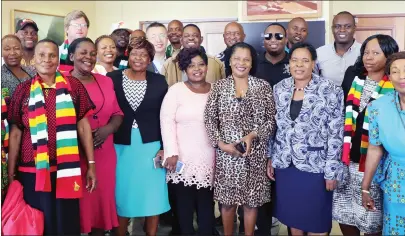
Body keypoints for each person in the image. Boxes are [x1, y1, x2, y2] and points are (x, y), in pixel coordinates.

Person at [7, 39, 96, 235]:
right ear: (33, 60)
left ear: (58, 59)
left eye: (52, 55)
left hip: (67, 168)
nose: (47, 60)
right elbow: (15, 133)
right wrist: (11, 171)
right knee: (38, 222)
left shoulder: (74, 86)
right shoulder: (23, 90)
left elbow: (83, 127)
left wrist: (91, 164)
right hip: (32, 169)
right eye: (41, 55)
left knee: (66, 222)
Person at [270, 42, 345, 235]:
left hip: (316, 167)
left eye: (305, 60)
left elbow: (336, 133)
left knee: (316, 221)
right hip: (286, 165)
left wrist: (331, 171)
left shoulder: (330, 90)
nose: (299, 65)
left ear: (314, 63)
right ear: (289, 63)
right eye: (294, 60)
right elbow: (274, 128)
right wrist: (271, 157)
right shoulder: (280, 88)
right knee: (293, 217)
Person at [204, 42, 276, 236]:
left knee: (251, 204)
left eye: (246, 59)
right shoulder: (219, 87)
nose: (241, 63)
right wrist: (221, 145)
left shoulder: (263, 87)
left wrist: (253, 135)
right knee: (227, 203)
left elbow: (271, 121)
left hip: (255, 155)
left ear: (252, 63)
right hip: (227, 155)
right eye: (237, 58)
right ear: (229, 61)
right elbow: (209, 119)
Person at [334, 34, 399, 236]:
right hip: (347, 159)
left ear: (389, 56)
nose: (368, 57)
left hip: (376, 164)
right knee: (345, 214)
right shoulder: (355, 79)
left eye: (375, 53)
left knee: (373, 221)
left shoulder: (395, 86)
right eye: (366, 52)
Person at [106, 38, 170, 236]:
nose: (139, 58)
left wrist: (165, 146)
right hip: (121, 145)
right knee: (123, 193)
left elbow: (165, 116)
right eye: (135, 53)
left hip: (151, 146)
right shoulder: (112, 78)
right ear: (128, 54)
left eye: (144, 54)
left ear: (150, 58)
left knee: (153, 194)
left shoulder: (159, 81)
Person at [66, 37, 124, 235]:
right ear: (72, 55)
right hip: (74, 154)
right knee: (77, 207)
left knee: (100, 207)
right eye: (83, 53)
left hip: (105, 154)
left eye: (92, 53)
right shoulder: (61, 82)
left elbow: (117, 113)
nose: (88, 57)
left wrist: (107, 129)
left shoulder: (106, 81)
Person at [160, 48, 216, 235]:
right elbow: (166, 121)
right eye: (191, 65)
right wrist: (171, 152)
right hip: (182, 158)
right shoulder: (176, 91)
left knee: (206, 208)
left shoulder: (216, 90)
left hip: (210, 157)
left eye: (201, 64)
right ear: (184, 69)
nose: (197, 69)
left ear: (207, 67)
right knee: (184, 210)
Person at [362, 51, 405, 236]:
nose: (401, 76)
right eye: (395, 71)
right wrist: (365, 187)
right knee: (396, 229)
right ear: (389, 76)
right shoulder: (377, 107)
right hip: (395, 179)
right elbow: (374, 148)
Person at [316, 11, 361, 86]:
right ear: (332, 29)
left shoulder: (364, 52)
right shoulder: (319, 53)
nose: (342, 30)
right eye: (337, 26)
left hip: (356, 97)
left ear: (354, 28)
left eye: (348, 26)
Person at [256, 23, 291, 88]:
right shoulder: (254, 63)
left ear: (286, 40)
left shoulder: (294, 62)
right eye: (268, 36)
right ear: (264, 40)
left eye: (278, 36)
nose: (273, 40)